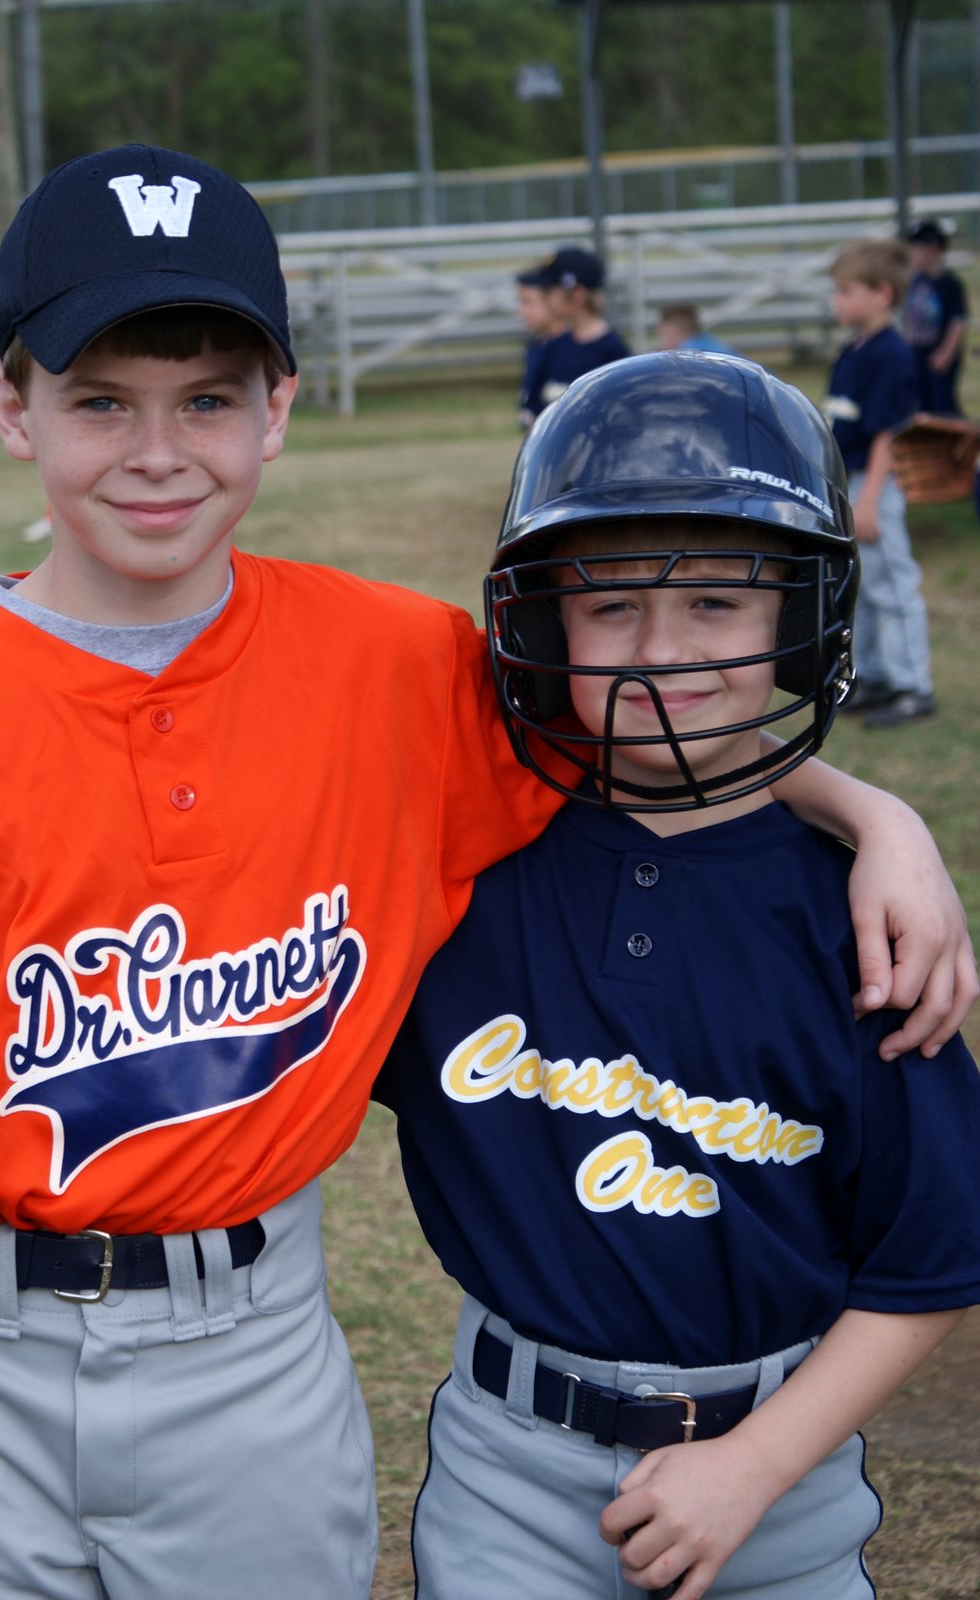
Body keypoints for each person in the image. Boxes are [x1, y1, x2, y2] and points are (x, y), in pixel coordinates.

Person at [0, 145, 974, 1600]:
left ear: (276, 407)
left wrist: (870, 815)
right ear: (7, 406)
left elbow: (637, 705)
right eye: (98, 398)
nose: (155, 452)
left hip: (245, 1340)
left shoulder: (397, 668)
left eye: (208, 397)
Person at [375, 353, 980, 1600]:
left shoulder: (861, 918)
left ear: (799, 613)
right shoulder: (459, 848)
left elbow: (928, 1260)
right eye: (609, 606)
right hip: (508, 1465)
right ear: (541, 623)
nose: (660, 653)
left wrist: (754, 1464)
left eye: (718, 603)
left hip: (782, 1474)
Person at [824, 238, 936, 729]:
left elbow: (889, 431)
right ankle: (872, 676)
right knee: (862, 586)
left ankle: (914, 686)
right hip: (851, 481)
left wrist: (868, 499)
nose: (837, 301)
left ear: (881, 294)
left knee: (894, 585)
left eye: (846, 290)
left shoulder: (891, 354)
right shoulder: (855, 350)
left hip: (876, 484)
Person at [521, 246, 632, 424]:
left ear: (577, 294)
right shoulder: (552, 346)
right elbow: (533, 407)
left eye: (549, 291)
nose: (545, 298)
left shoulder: (613, 352)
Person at [903, 220, 969, 417]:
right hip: (917, 353)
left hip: (939, 354)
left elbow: (958, 322)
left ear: (934, 249)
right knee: (921, 403)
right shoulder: (915, 281)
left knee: (942, 404)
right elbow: (910, 317)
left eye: (918, 248)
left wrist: (946, 353)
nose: (913, 254)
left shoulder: (950, 284)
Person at [515, 263, 568, 432]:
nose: (523, 312)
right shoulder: (536, 345)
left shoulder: (571, 348)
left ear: (553, 299)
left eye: (528, 303)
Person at [656, 303, 737, 356]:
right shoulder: (717, 347)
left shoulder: (686, 356)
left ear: (672, 331)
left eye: (663, 334)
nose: (662, 344)